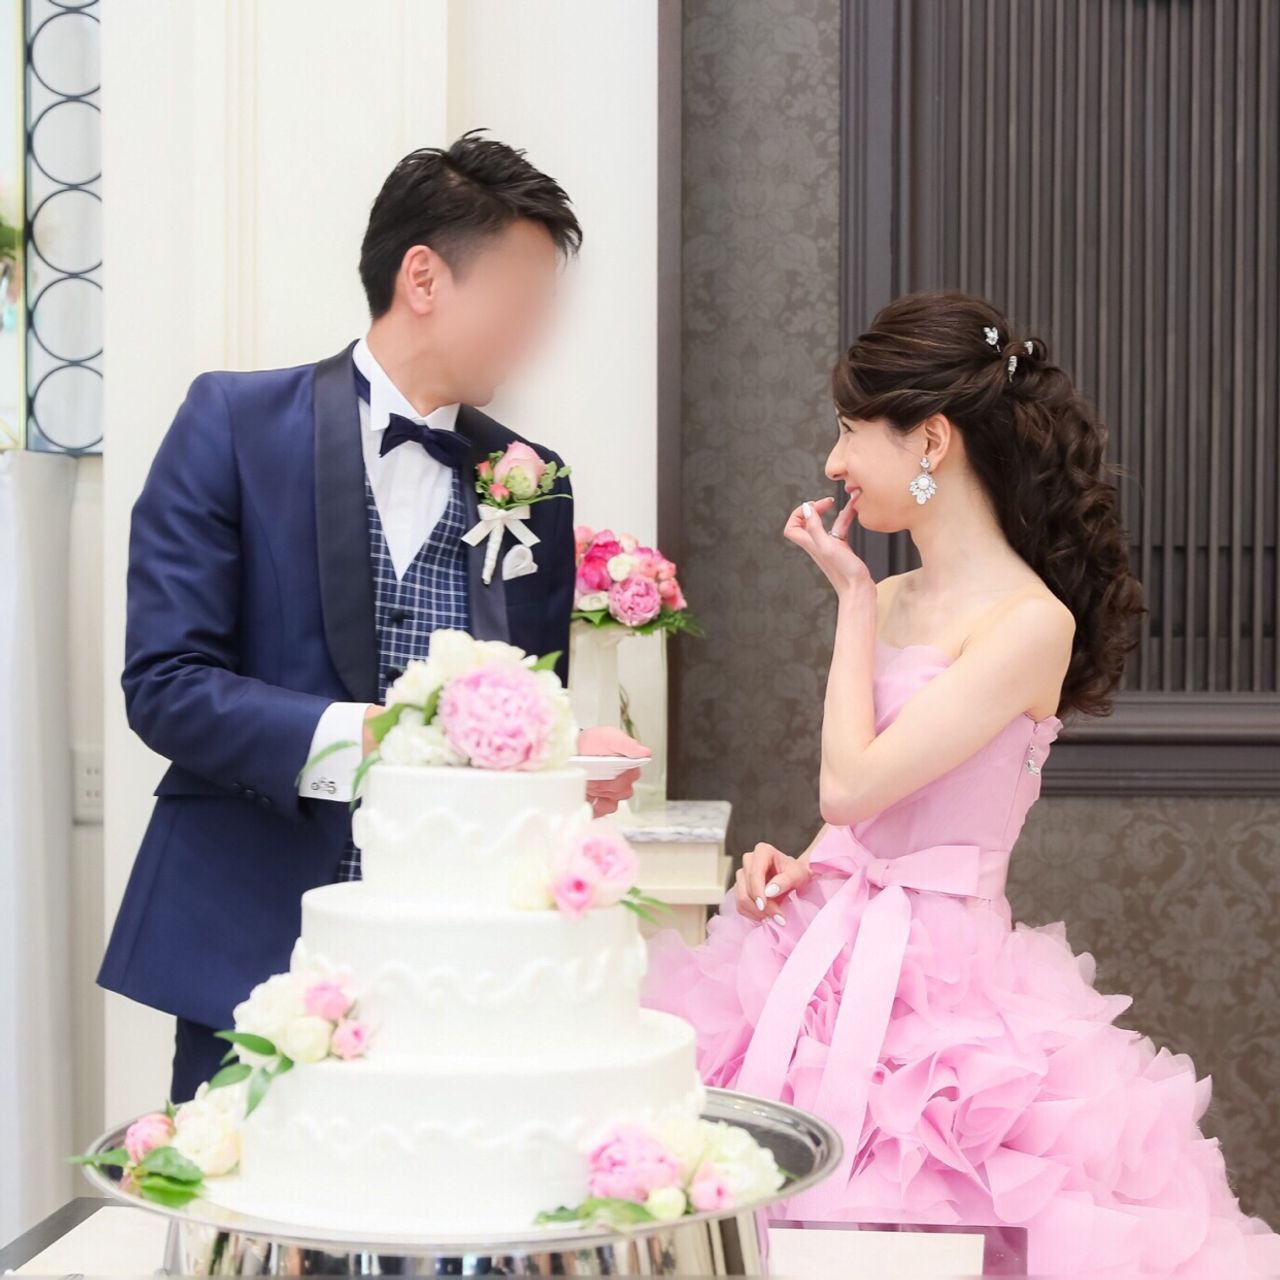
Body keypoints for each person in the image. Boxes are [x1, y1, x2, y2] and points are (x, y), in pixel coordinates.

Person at [640, 289, 1280, 1277]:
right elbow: (858, 817)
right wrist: (804, 863)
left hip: (947, 991)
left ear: (930, 439)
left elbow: (850, 784)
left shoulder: (1028, 624)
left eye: (851, 429)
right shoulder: (893, 594)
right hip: (822, 952)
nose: (834, 462)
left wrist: (851, 601)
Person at [99, 130, 647, 1105]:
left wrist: (566, 755)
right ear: (423, 277)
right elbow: (167, 685)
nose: (533, 333)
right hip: (255, 939)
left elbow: (523, 711)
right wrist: (374, 738)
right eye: (519, 300)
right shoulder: (232, 424)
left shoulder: (533, 481)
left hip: (454, 957)